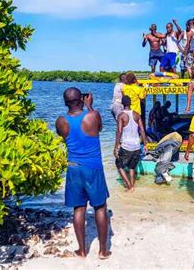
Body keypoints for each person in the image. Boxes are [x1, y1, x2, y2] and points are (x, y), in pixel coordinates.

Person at [55, 88, 110, 259]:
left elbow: (64, 136)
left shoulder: (60, 121)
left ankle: (82, 250)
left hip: (73, 167)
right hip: (93, 168)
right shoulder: (93, 115)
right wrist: (90, 106)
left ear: (65, 102)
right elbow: (99, 128)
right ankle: (102, 250)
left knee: (79, 208)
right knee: (100, 207)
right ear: (82, 99)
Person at [114, 96, 148, 191]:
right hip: (137, 146)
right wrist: (145, 144)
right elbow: (142, 130)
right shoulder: (137, 114)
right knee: (132, 167)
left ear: (122, 104)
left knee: (119, 165)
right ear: (130, 103)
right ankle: (132, 185)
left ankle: (129, 186)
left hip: (126, 146)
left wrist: (116, 145)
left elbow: (119, 131)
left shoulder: (121, 115)